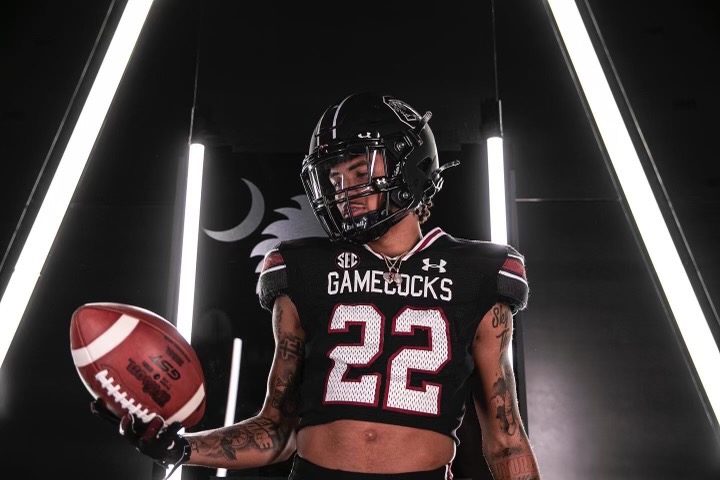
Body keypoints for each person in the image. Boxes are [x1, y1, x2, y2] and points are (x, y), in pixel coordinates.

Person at [92, 92, 543, 479]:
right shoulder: (303, 267)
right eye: (334, 177)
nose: (344, 189)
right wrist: (182, 447)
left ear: (410, 166)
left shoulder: (479, 270)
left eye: (359, 170)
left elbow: (506, 440)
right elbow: (278, 428)